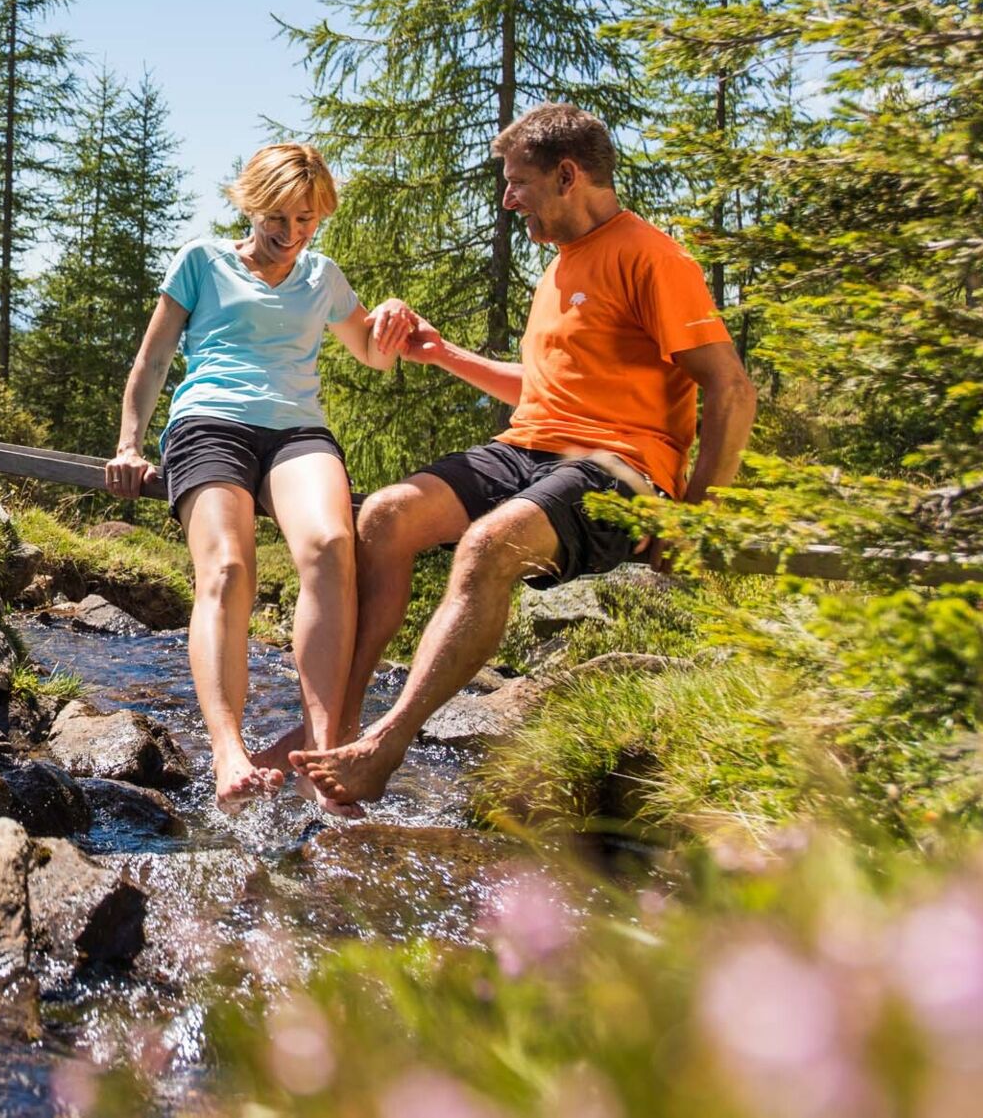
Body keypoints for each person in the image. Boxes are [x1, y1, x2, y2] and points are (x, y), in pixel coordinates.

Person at [291, 103, 759, 806]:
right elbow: (539, 390)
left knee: (487, 545)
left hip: (619, 468)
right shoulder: (560, 267)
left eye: (517, 183)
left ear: (567, 175)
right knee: (384, 515)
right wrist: (443, 354)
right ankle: (341, 727)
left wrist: (697, 519)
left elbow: (731, 389)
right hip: (531, 448)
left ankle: (384, 747)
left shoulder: (653, 256)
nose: (508, 199)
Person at [104, 143, 397, 814]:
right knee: (230, 569)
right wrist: (129, 443)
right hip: (209, 422)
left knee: (330, 546)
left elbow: (374, 354)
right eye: (281, 216)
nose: (293, 234)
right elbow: (150, 365)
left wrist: (397, 318)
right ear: (252, 201)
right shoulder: (201, 261)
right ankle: (229, 752)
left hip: (297, 431)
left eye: (309, 220)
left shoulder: (323, 276)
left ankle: (321, 752)